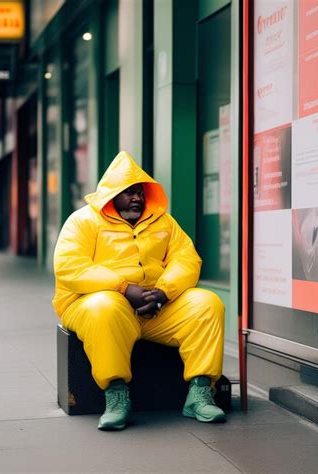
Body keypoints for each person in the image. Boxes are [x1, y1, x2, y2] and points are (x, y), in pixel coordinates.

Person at [53, 151, 225, 431]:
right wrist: (122, 287)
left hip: (154, 305)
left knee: (207, 303)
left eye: (140, 192)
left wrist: (163, 292)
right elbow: (69, 267)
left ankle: (200, 392)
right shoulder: (82, 221)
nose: (137, 198)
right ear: (111, 195)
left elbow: (187, 259)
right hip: (94, 304)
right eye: (129, 192)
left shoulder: (164, 222)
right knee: (105, 307)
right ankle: (116, 396)